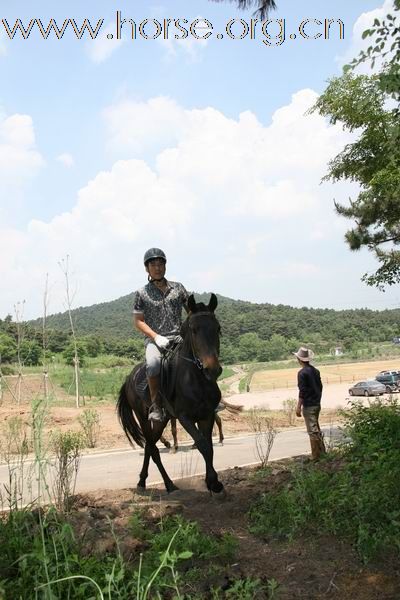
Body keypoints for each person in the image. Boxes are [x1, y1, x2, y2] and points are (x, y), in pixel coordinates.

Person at [133, 248, 189, 422]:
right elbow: (138, 321)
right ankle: (156, 406)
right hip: (155, 341)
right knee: (153, 364)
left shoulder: (178, 288)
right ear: (147, 268)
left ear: (165, 266)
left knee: (201, 357)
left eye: (160, 264)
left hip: (179, 339)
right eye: (153, 265)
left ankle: (213, 398)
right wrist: (156, 336)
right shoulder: (141, 293)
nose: (157, 268)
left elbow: (191, 312)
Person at [294, 347, 326, 460]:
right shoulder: (315, 371)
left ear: (299, 359)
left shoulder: (302, 373)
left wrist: (298, 407)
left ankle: (317, 457)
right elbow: (320, 387)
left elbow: (302, 391)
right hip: (317, 404)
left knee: (312, 431)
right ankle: (323, 453)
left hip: (309, 405)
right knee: (316, 428)